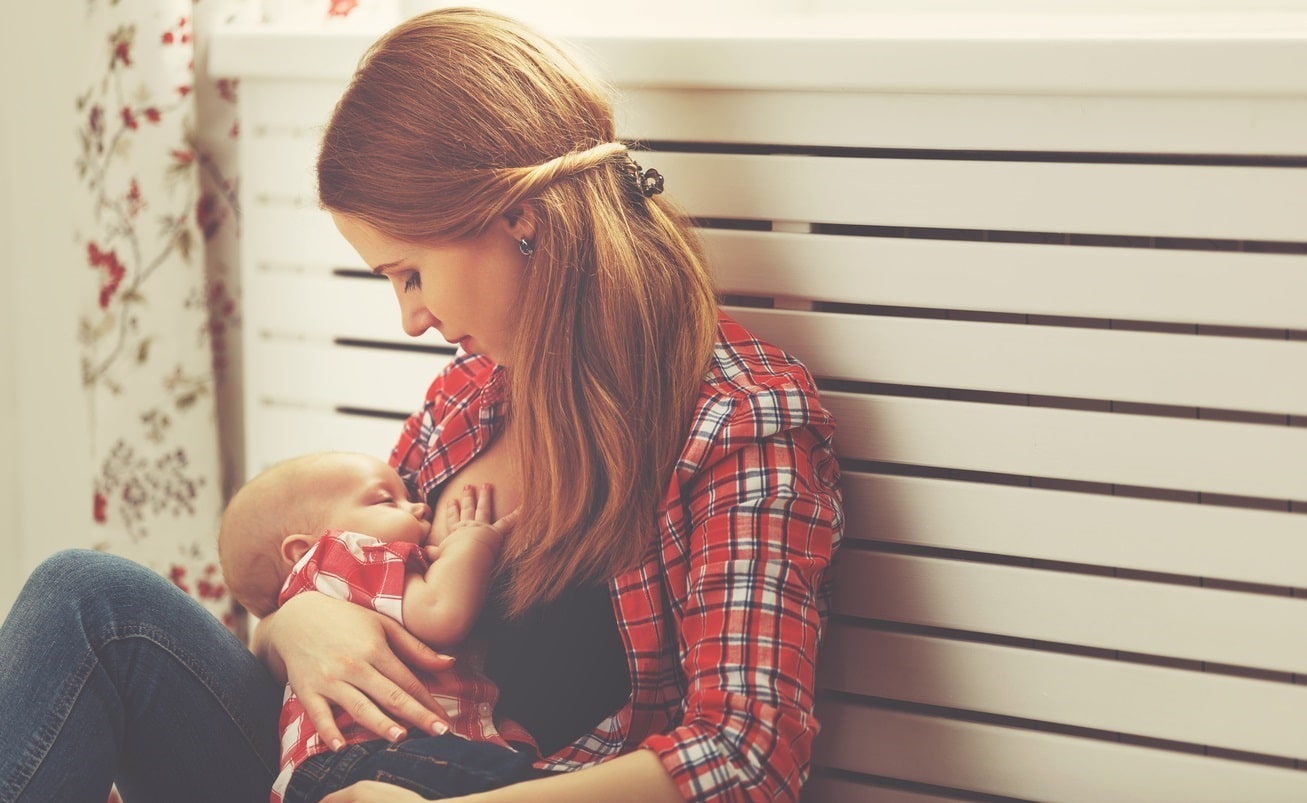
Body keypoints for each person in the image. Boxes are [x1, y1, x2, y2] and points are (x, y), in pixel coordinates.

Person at [0, 6, 842, 802]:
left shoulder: (739, 419)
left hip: (498, 785)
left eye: (409, 272)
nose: (410, 319)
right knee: (89, 597)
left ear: (520, 218)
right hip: (336, 768)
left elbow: (748, 754)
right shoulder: (465, 403)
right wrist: (291, 627)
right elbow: (336, 597)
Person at [216, 451, 538, 802]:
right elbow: (441, 613)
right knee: (517, 781)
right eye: (387, 500)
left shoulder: (335, 587)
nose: (420, 508)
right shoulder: (338, 556)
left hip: (334, 771)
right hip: (373, 756)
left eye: (410, 496)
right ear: (302, 550)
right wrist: (471, 541)